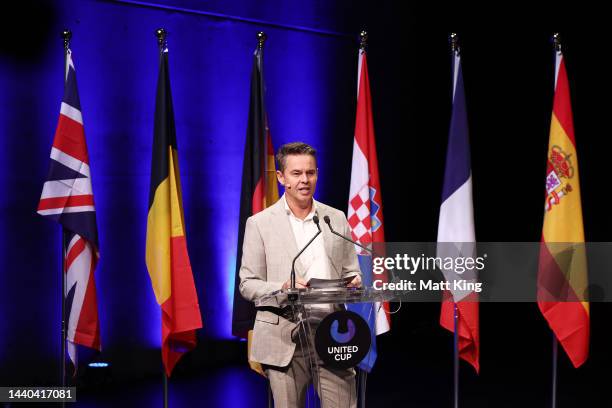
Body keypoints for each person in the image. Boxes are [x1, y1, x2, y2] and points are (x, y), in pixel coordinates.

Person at [239, 142, 362, 408]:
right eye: (296, 174)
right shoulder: (260, 223)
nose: (305, 180)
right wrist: (282, 287)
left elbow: (351, 271)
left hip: (332, 333)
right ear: (282, 177)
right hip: (284, 336)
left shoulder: (335, 219)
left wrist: (354, 283)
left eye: (310, 172)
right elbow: (248, 284)